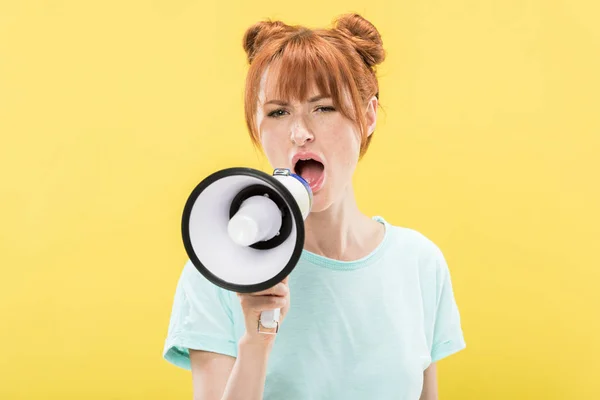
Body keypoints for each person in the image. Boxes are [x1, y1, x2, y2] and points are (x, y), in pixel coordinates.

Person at [163, 13, 466, 400]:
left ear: (368, 116)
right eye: (277, 112)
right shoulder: (219, 267)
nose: (300, 133)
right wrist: (256, 343)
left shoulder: (420, 263)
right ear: (257, 126)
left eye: (323, 108)